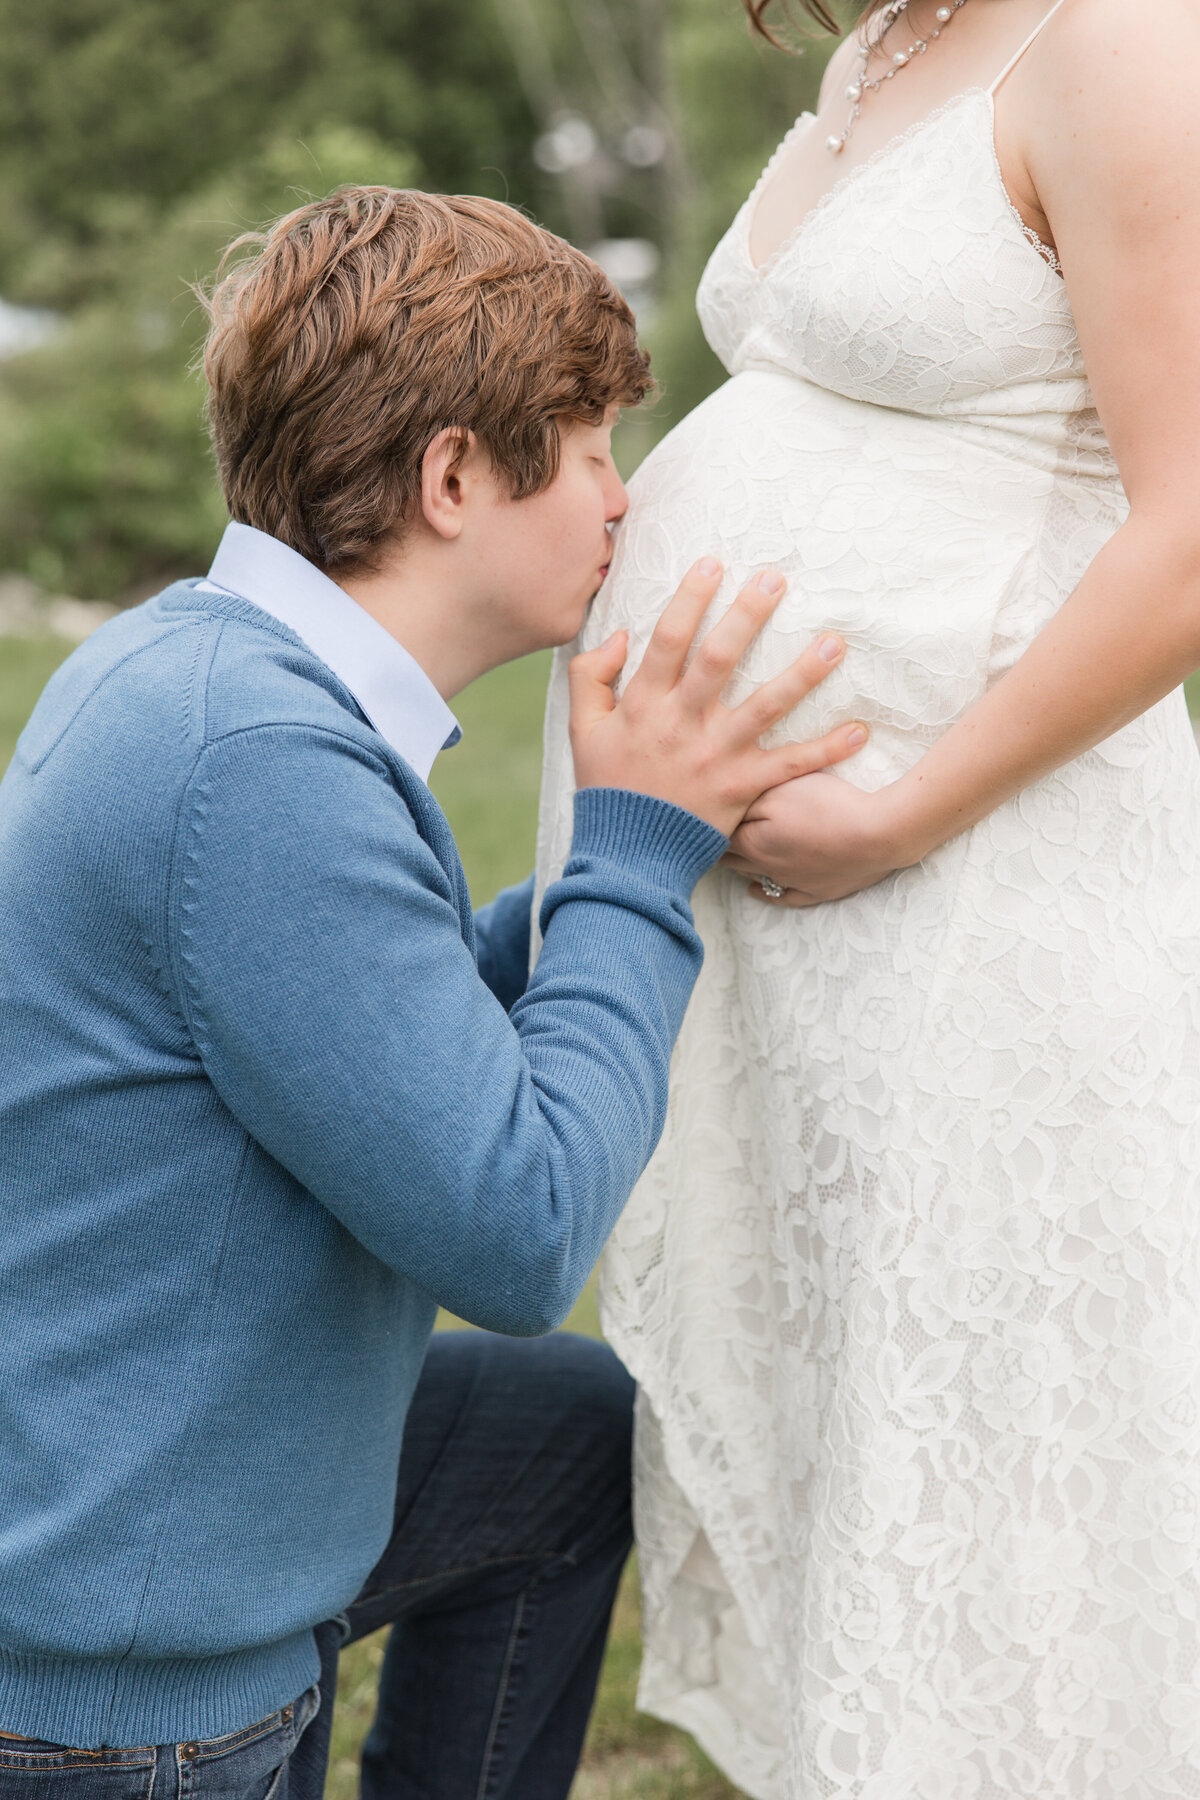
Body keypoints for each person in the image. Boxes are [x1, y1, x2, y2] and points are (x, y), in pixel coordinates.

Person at [0, 188, 864, 1800]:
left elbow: (348, 1032)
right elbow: (519, 1227)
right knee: (550, 1353)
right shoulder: (255, 763)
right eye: (595, 444)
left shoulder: (197, 677)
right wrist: (632, 854)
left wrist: (626, 873)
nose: (625, 496)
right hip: (121, 1695)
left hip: (131, 1509)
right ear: (455, 475)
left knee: (560, 1439)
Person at [533, 1, 1200, 1794]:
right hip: (805, 923)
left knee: (980, 1423)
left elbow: (1191, 521)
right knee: (845, 1407)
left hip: (980, 884)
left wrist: (907, 810)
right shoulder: (889, 45)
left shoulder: (1125, 39)